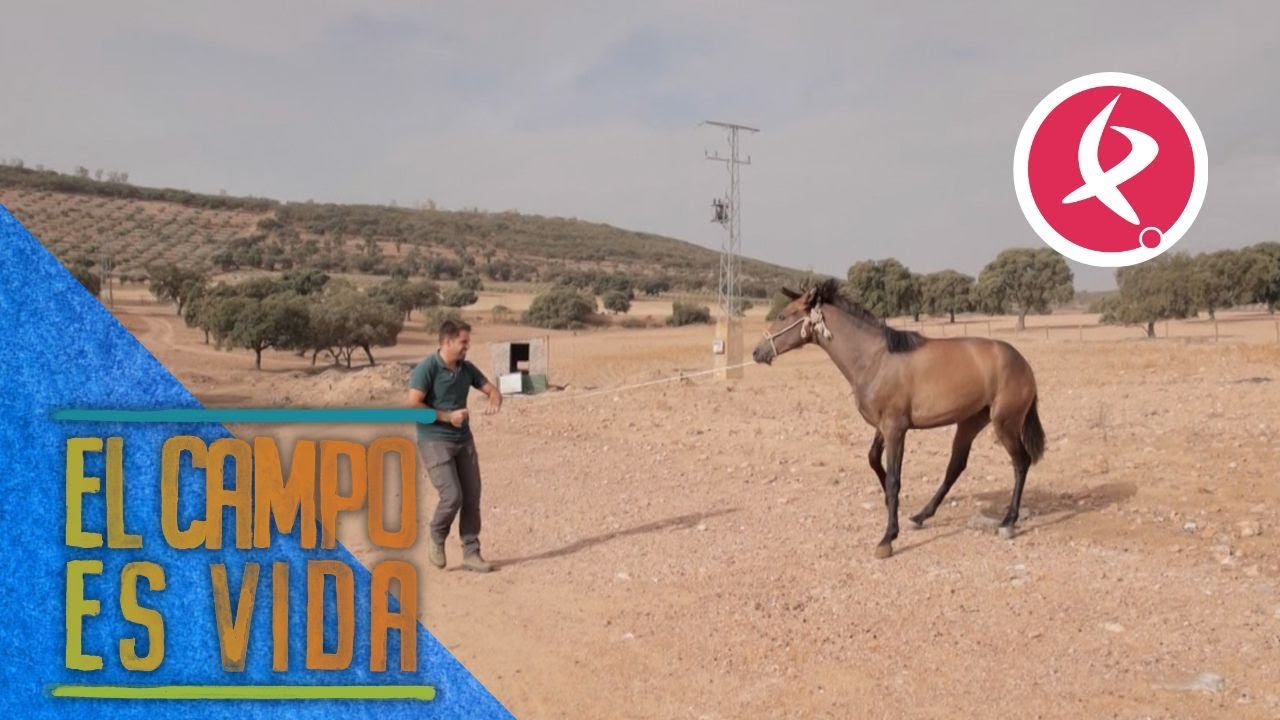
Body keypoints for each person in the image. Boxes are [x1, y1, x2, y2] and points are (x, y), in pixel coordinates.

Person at [408, 319, 502, 572]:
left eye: (467, 342)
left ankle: (472, 553)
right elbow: (414, 405)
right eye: (463, 342)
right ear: (447, 342)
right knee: (452, 495)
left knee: (472, 496)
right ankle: (437, 535)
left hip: (464, 440)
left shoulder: (466, 368)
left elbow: (491, 389)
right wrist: (448, 417)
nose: (467, 347)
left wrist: (494, 399)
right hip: (434, 440)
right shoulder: (427, 368)